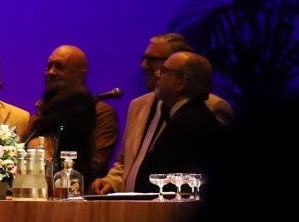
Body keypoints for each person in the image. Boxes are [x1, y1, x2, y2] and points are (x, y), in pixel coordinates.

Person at [97, 33, 231, 193]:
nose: (144, 66)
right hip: (132, 210)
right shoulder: (138, 105)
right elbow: (126, 162)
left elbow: (215, 167)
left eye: (153, 60)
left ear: (182, 76)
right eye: (144, 58)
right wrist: (111, 182)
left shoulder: (211, 107)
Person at [27, 46, 120, 182]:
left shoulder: (101, 112)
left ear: (81, 75)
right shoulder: (41, 110)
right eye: (49, 66)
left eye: (59, 67)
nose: (51, 72)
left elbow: (96, 164)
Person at [131, 51, 221, 190]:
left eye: (164, 71)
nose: (157, 74)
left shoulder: (189, 124)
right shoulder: (186, 117)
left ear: (181, 82)